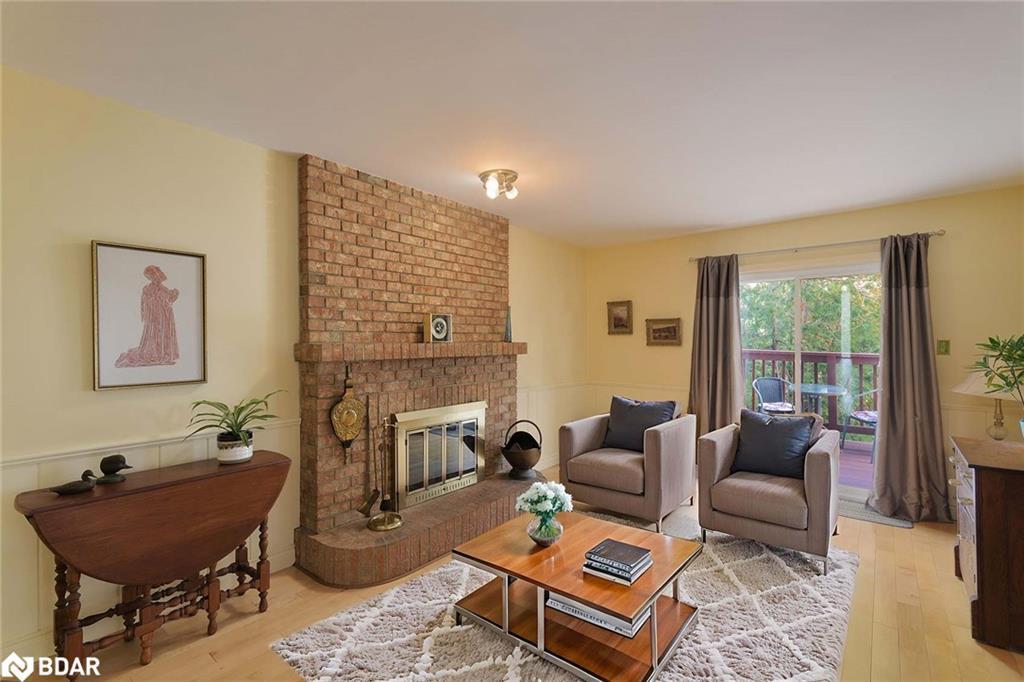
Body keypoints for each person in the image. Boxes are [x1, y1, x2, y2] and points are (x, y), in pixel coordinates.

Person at [115, 265, 180, 367]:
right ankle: (156, 355)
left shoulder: (163, 288)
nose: (157, 278)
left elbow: (169, 299)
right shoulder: (147, 289)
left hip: (164, 316)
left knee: (163, 333)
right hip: (154, 316)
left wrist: (174, 294)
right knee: (154, 333)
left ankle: (162, 354)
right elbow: (145, 303)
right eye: (154, 276)